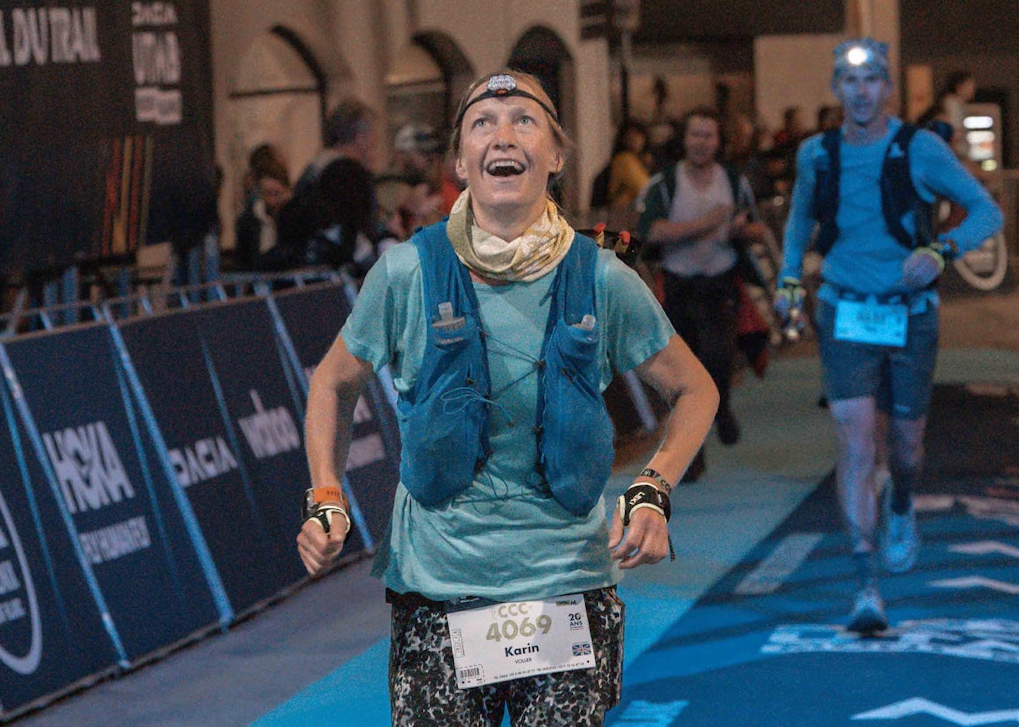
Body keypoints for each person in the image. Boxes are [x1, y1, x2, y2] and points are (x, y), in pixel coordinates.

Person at [296, 71, 719, 726]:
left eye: (525, 119)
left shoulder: (602, 278)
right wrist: (325, 497)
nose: (504, 133)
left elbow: (695, 389)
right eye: (483, 122)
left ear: (555, 156)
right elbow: (332, 381)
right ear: (460, 162)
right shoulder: (407, 273)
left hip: (565, 593)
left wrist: (653, 489)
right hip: (437, 598)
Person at [773, 39, 1003, 635]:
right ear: (835, 88)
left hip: (910, 314)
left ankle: (902, 504)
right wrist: (790, 278)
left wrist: (941, 250)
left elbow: (986, 211)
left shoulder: (920, 149)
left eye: (873, 79)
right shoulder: (815, 154)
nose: (861, 91)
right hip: (844, 310)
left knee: (905, 449)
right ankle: (864, 586)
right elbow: (800, 218)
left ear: (888, 89)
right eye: (850, 81)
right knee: (854, 446)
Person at [637, 107, 773, 482]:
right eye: (695, 135)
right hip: (679, 286)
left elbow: (759, 229)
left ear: (719, 141)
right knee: (684, 374)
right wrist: (705, 224)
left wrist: (742, 231)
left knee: (717, 357)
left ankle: (723, 406)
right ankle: (692, 456)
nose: (701, 143)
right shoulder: (664, 182)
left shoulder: (733, 180)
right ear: (685, 139)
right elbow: (652, 231)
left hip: (720, 283)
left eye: (708, 136)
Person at [295, 98, 383, 274]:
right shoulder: (350, 173)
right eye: (373, 135)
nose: (375, 142)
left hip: (311, 267)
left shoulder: (313, 168)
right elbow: (359, 226)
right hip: (344, 270)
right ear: (360, 138)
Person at [232, 143, 314, 271]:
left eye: (277, 193)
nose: (272, 200)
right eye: (267, 194)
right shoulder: (248, 222)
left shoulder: (296, 217)